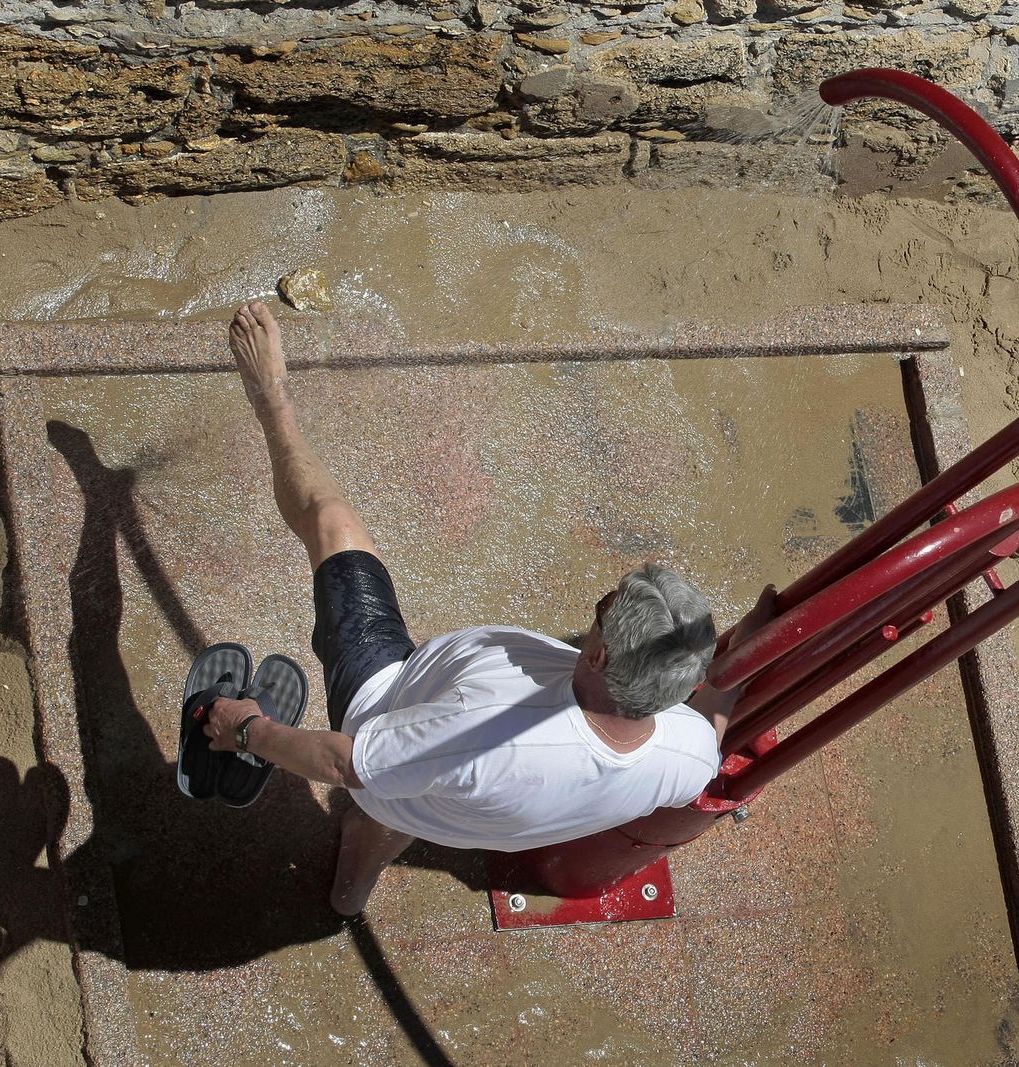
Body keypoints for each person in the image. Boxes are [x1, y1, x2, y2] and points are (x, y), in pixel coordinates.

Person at [202, 300, 773, 915]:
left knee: (331, 522)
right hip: (462, 811)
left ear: (603, 654)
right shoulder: (685, 756)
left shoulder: (480, 732)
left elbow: (346, 765)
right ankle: (349, 892)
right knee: (420, 795)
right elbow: (712, 711)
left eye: (603, 608)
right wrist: (763, 636)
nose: (597, 607)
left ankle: (271, 401)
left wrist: (245, 729)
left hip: (387, 699)